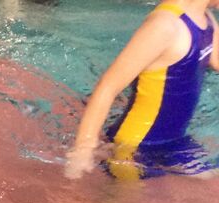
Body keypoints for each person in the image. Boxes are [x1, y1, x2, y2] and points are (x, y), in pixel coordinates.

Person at [66, 0, 219, 180]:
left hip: (174, 141)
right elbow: (107, 87)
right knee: (125, 197)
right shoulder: (164, 26)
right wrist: (83, 149)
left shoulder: (205, 19)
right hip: (131, 148)